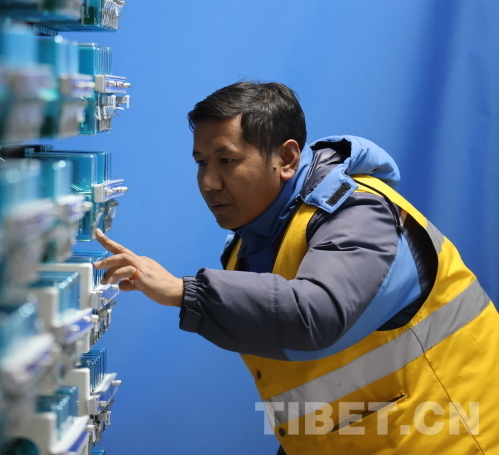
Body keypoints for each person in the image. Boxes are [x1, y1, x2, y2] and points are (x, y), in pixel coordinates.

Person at [92, 81, 499, 453]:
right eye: (201, 162)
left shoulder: (360, 211)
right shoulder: (244, 249)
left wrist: (184, 292)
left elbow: (315, 316)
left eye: (226, 160)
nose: (209, 182)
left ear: (287, 158)